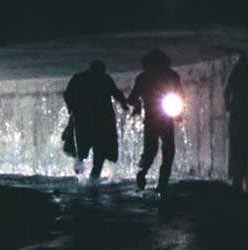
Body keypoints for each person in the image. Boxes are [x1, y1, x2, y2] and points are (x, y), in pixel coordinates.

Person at [128, 48, 183, 194]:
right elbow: (179, 95)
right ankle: (160, 183)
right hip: (165, 118)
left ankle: (145, 174)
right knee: (166, 152)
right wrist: (179, 112)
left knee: (152, 151)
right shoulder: (171, 75)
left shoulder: (143, 77)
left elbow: (131, 98)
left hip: (153, 119)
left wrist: (137, 104)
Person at [63, 59, 129, 182]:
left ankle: (86, 180)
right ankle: (90, 181)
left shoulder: (81, 78)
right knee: (95, 153)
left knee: (86, 153)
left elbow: (67, 94)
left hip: (86, 121)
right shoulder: (104, 79)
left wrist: (71, 109)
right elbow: (117, 93)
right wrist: (124, 104)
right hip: (99, 122)